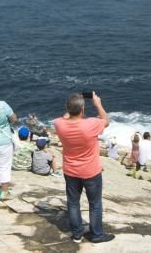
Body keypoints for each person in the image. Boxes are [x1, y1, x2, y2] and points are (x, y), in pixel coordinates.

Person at [54, 92, 114, 244]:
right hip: (91, 172)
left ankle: (77, 234)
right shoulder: (91, 124)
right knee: (95, 204)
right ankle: (97, 235)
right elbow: (106, 121)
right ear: (82, 110)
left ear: (67, 108)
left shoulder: (59, 124)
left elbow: (66, 116)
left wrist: (74, 104)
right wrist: (97, 103)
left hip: (70, 171)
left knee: (73, 203)